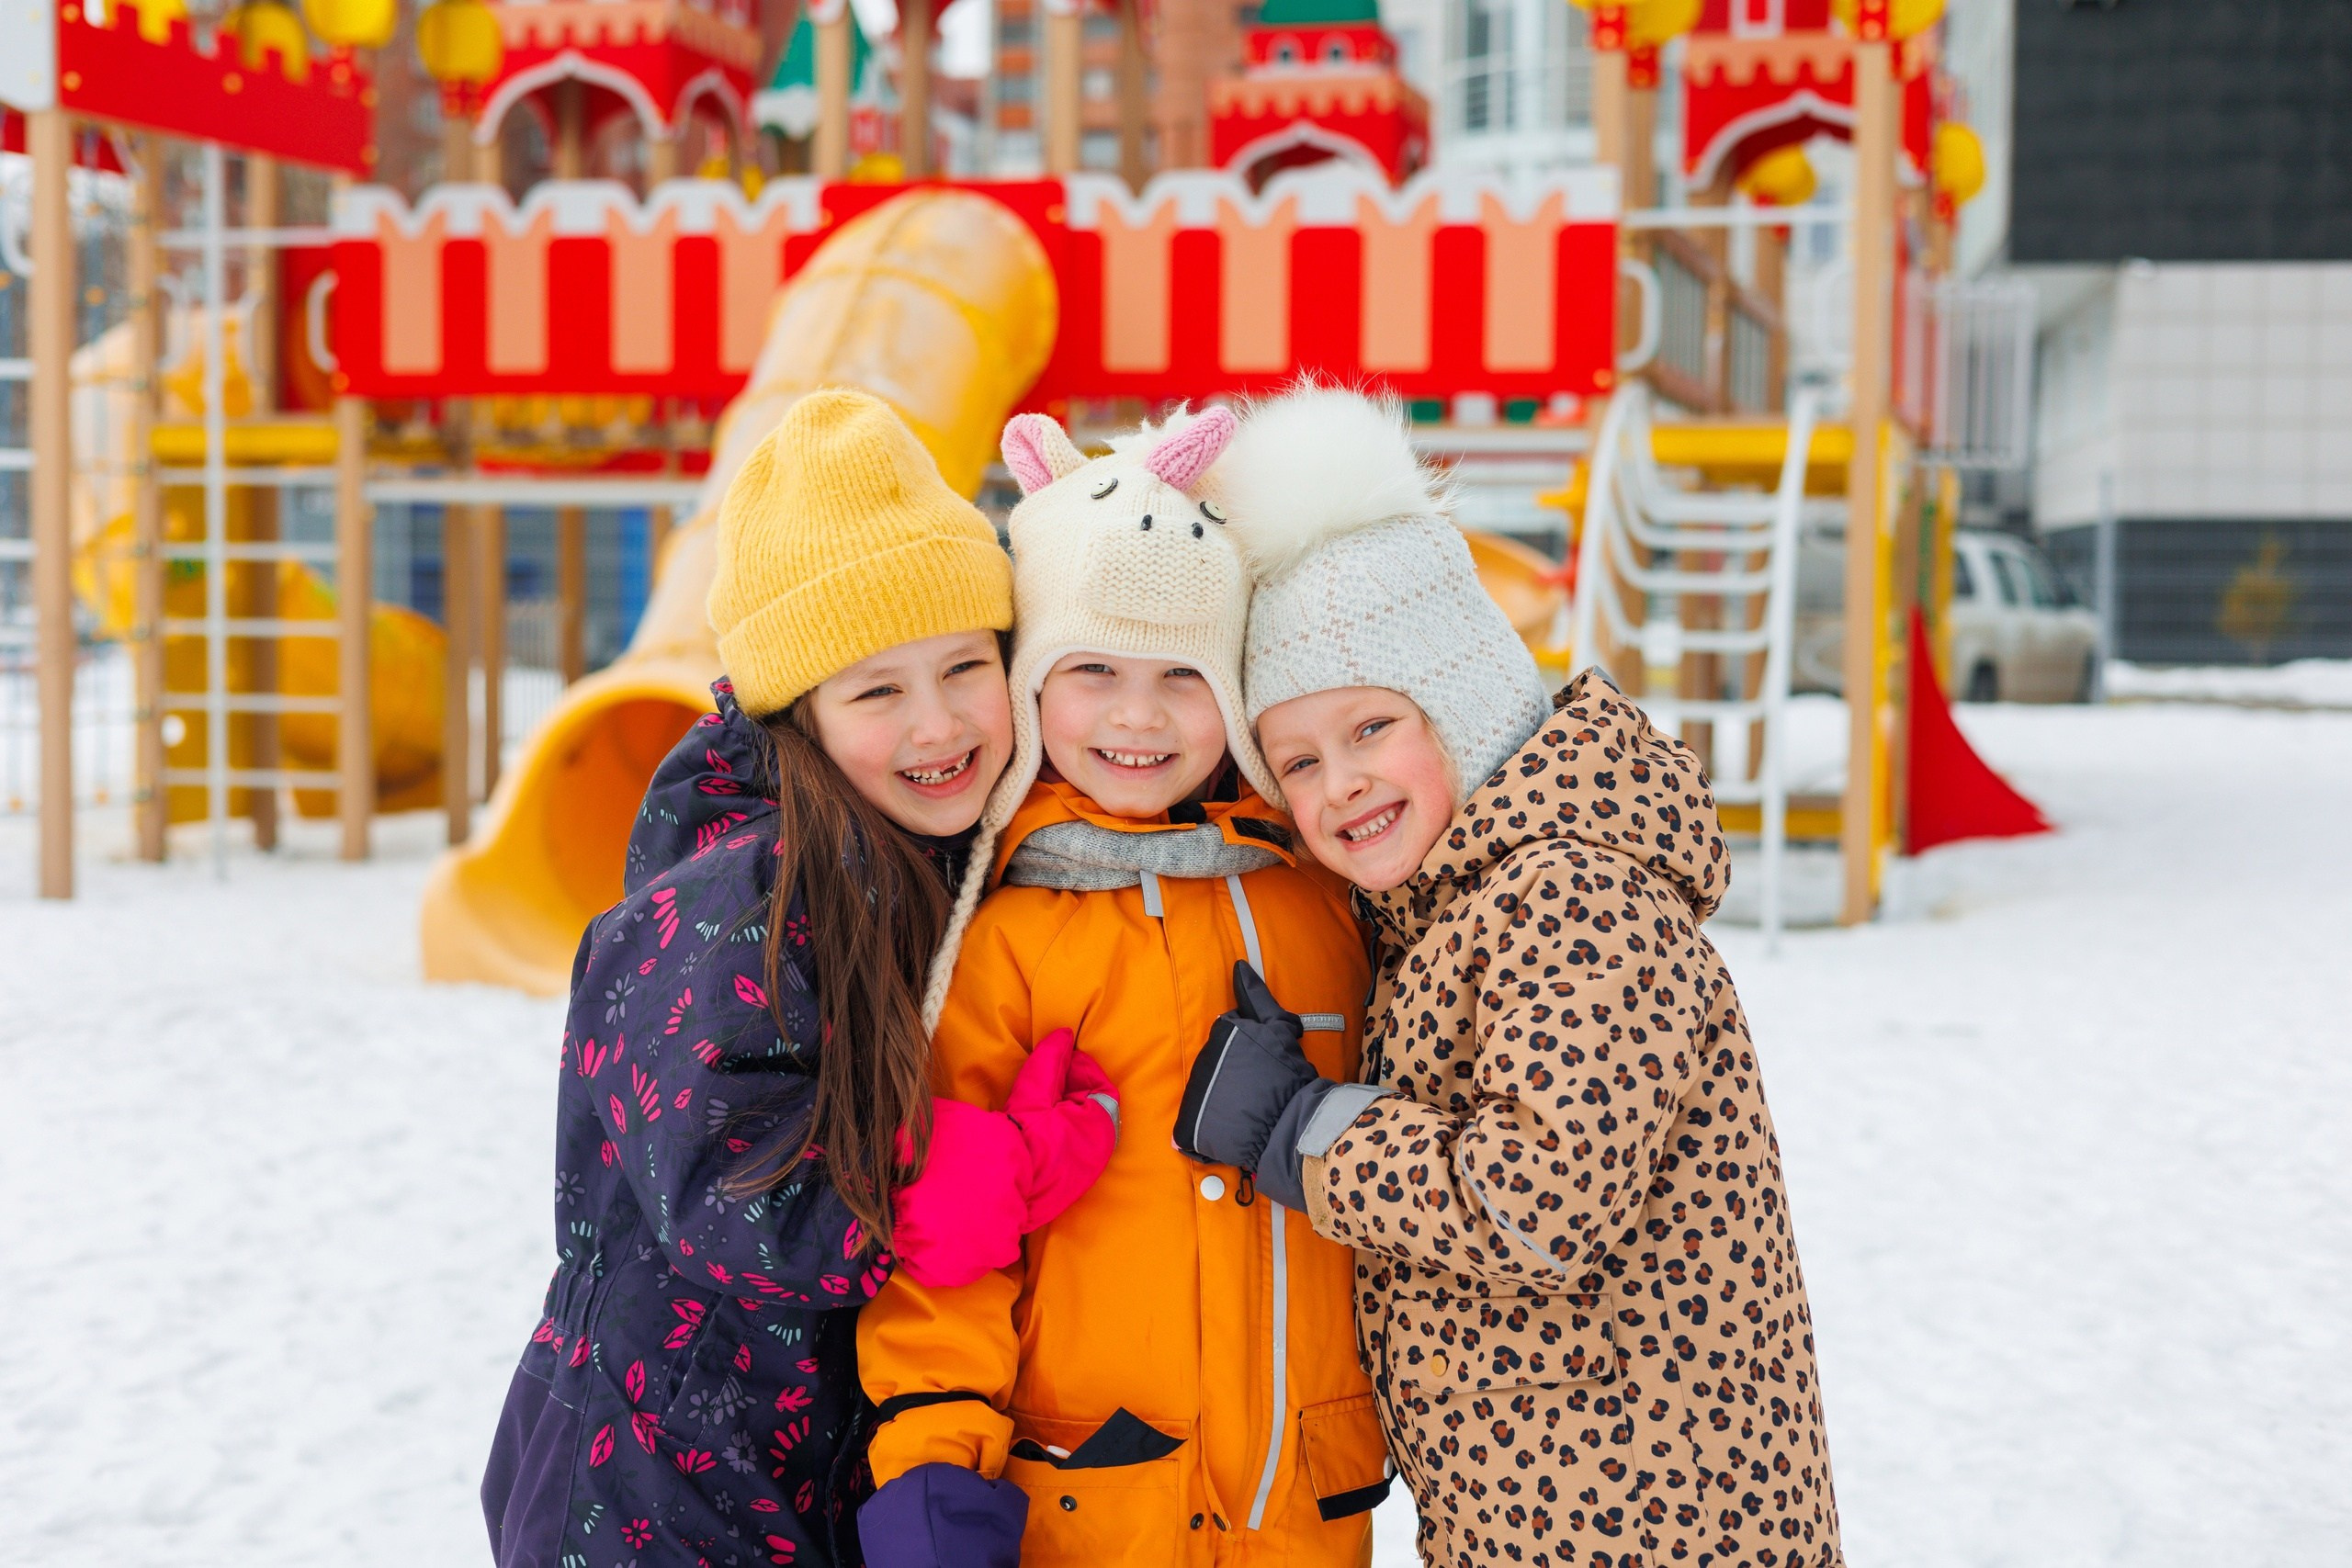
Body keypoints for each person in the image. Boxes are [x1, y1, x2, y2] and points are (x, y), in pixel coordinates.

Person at [1176, 386, 1844, 1568]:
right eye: (1299, 759)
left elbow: (1536, 1203)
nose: (1339, 784)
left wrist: (1304, 1131)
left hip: (1650, 1517)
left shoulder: (1568, 897)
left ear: (1465, 702)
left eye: (1373, 728)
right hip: (1554, 1503)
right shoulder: (1455, 905)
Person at [481, 389, 1121, 1568]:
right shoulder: (744, 886)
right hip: (658, 1480)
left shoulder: (931, 846)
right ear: (801, 714)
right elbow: (721, 1176)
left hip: (790, 1454)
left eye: (962, 668)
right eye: (876, 690)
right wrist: (955, 1184)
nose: (935, 724)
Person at [854, 406, 1393, 1568]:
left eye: (1181, 677)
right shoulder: (1011, 936)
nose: (1137, 716)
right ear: (1033, 682)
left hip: (1308, 1501)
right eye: (1091, 670)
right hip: (1092, 1502)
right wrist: (934, 1452)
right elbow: (948, 1232)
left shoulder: (1323, 901)